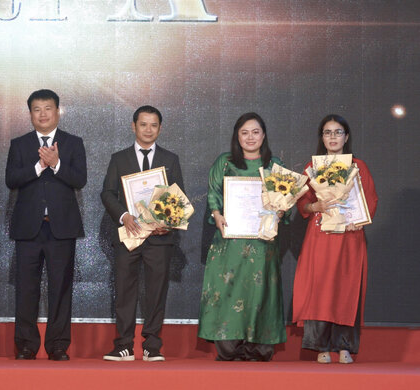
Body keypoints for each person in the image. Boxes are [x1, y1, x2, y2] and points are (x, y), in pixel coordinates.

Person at [198, 112, 287, 361]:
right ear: (237, 136)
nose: (250, 137)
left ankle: (259, 347)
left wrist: (281, 211)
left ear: (264, 135)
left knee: (261, 292)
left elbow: (285, 200)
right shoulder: (225, 162)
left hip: (262, 243)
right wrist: (216, 214)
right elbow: (213, 192)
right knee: (228, 289)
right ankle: (229, 347)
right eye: (244, 132)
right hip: (230, 241)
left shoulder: (274, 165)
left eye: (255, 132)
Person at [6, 89, 87, 361]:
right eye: (37, 109)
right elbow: (11, 179)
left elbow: (80, 179)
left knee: (61, 288)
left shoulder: (73, 143)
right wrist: (40, 166)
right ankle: (26, 345)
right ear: (30, 114)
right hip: (29, 229)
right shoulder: (19, 144)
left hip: (61, 228)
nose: (42, 114)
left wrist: (57, 163)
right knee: (26, 289)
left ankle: (58, 346)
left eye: (48, 108)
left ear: (57, 112)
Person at [100, 105, 184, 362]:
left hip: (160, 237)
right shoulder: (119, 158)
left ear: (160, 128)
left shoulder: (170, 159)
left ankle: (152, 346)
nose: (148, 130)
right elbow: (107, 193)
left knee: (156, 292)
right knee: (125, 290)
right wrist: (124, 216)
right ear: (133, 126)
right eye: (143, 124)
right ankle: (124, 345)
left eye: (154, 125)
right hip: (129, 234)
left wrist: (168, 222)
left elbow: (178, 197)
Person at [292, 115, 378, 364]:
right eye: (327, 132)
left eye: (337, 132)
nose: (332, 137)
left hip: (350, 236)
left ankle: (344, 346)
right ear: (322, 137)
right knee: (319, 289)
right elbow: (302, 204)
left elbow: (370, 200)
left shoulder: (358, 166)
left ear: (346, 137)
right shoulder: (312, 167)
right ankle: (320, 346)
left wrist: (359, 220)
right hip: (320, 236)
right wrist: (315, 205)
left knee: (346, 290)